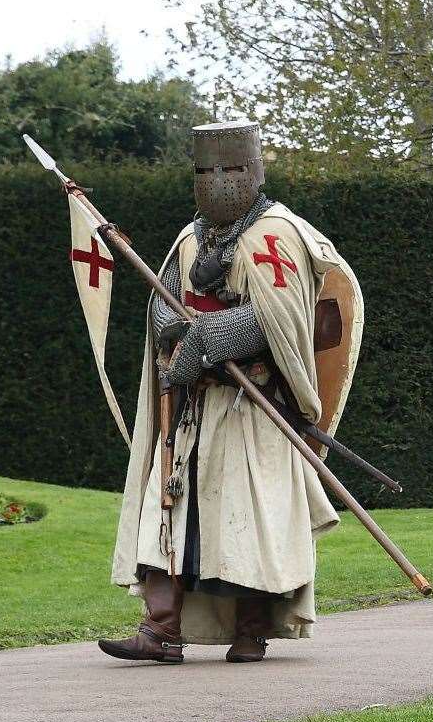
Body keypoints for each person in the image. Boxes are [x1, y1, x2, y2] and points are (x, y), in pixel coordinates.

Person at [104, 120, 356, 665]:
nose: (218, 181)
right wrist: (180, 330)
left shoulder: (278, 232)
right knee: (167, 515)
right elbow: (161, 309)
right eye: (206, 171)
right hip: (194, 407)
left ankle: (250, 632)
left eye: (229, 169)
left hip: (255, 407)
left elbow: (282, 319)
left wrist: (216, 333)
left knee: (249, 526)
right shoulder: (190, 238)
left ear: (253, 170)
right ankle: (160, 630)